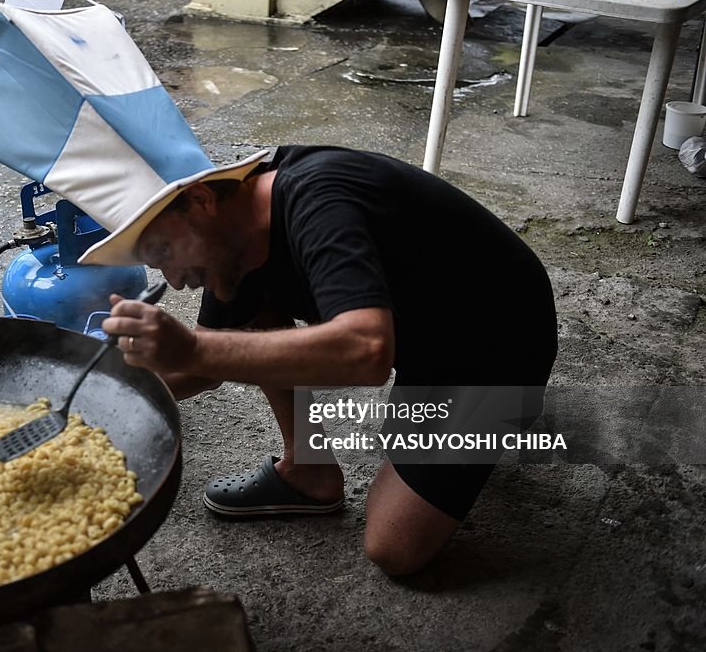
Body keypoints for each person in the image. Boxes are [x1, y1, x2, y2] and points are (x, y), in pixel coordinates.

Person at [101, 145, 557, 575]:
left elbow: (365, 352)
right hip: (419, 337)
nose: (174, 281)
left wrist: (193, 349)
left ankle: (505, 415)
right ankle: (308, 468)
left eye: (164, 252)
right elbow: (205, 364)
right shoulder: (232, 231)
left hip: (494, 346)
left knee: (394, 548)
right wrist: (98, 398)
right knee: (252, 311)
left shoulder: (317, 199)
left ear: (200, 199)